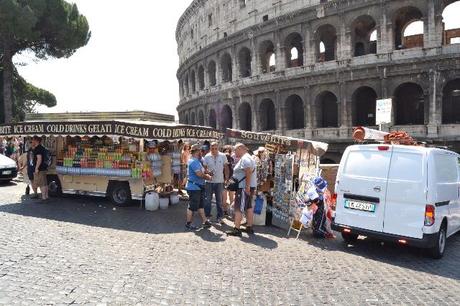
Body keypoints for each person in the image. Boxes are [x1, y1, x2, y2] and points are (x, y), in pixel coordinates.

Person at [227, 143, 257, 237]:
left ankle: (237, 229)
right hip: (247, 186)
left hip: (244, 187)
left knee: (238, 207)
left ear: (240, 149)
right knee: (248, 206)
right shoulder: (248, 157)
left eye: (235, 150)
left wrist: (247, 187)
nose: (234, 152)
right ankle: (249, 227)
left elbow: (248, 172)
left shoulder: (245, 158)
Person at [185, 143, 213, 230]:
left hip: (198, 186)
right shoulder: (194, 161)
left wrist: (207, 173)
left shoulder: (197, 161)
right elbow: (199, 174)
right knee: (192, 207)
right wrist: (207, 177)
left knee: (200, 205)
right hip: (194, 187)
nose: (202, 152)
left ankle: (205, 221)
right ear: (196, 152)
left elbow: (202, 172)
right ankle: (188, 223)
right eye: (200, 151)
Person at [203, 142, 229, 223]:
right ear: (210, 148)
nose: (214, 150)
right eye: (212, 148)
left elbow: (226, 167)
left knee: (219, 200)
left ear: (218, 148)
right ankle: (207, 217)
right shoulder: (206, 156)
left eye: (215, 148)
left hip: (219, 181)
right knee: (208, 200)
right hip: (209, 181)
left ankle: (220, 217)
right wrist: (208, 172)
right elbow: (204, 169)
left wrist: (226, 178)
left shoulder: (223, 156)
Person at [31, 136, 49, 201]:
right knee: (45, 183)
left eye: (32, 140)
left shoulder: (38, 149)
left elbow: (39, 159)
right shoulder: (42, 148)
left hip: (40, 168)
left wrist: (36, 168)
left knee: (42, 184)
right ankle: (46, 196)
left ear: (36, 141)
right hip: (44, 167)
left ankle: (44, 197)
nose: (31, 141)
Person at [222, 145, 234, 216]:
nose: (227, 153)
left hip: (226, 179)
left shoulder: (221, 158)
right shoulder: (231, 158)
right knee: (229, 196)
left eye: (228, 151)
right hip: (229, 179)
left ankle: (226, 210)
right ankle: (229, 211)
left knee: (226, 196)